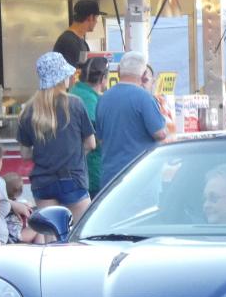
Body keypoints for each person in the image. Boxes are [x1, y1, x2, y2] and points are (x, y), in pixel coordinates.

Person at [18, 52, 97, 222]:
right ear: (61, 78)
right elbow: (91, 144)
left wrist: (47, 154)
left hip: (43, 182)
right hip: (73, 179)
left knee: (51, 236)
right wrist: (71, 151)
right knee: (81, 234)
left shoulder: (29, 110)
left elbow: (25, 153)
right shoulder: (75, 104)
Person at [96, 51, 168, 187]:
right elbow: (160, 133)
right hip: (140, 176)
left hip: (110, 177)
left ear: (117, 71)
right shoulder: (144, 98)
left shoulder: (103, 99)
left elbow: (100, 139)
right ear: (143, 75)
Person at [68, 55, 107, 198]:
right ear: (103, 78)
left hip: (74, 172)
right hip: (90, 170)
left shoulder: (74, 92)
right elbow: (93, 139)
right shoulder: (90, 100)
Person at [53, 0, 107, 68]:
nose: (96, 21)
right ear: (90, 17)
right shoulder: (69, 41)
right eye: (96, 17)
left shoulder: (80, 41)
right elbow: (76, 73)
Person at [144, 64, 177, 138]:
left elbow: (170, 130)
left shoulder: (160, 102)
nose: (142, 84)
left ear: (153, 81)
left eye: (145, 80)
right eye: (139, 80)